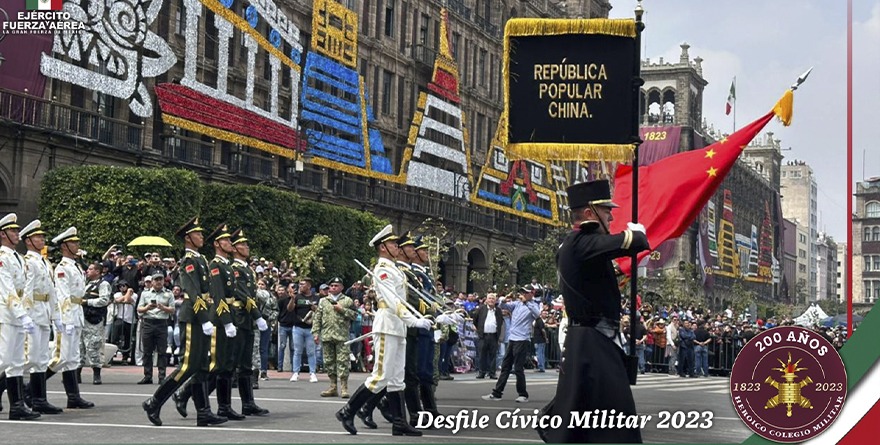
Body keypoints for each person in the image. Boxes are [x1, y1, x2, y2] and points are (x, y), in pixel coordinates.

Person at [538, 179, 650, 443]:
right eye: (606, 210)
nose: (611, 215)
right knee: (613, 414)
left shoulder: (578, 245)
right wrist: (636, 231)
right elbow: (636, 241)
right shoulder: (581, 242)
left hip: (592, 340)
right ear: (590, 213)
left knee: (589, 413)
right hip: (592, 341)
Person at [334, 224, 434, 436]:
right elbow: (392, 301)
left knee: (397, 378)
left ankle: (399, 423)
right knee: (380, 376)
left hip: (398, 328)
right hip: (387, 326)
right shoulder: (381, 270)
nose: (397, 246)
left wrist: (417, 318)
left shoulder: (395, 269)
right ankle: (347, 411)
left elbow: (404, 300)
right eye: (392, 244)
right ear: (382, 248)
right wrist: (413, 321)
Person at [142, 217, 226, 427]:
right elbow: (192, 291)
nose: (202, 237)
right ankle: (154, 402)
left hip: (202, 317)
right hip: (194, 317)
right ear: (188, 238)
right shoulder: (189, 261)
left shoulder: (200, 260)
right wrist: (205, 318)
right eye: (197, 234)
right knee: (188, 365)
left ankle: (204, 412)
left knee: (203, 367)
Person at [46, 226, 95, 410]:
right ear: (65, 246)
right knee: (60, 358)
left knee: (73, 358)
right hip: (66, 315)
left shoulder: (75, 265)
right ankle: (31, 389)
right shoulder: (62, 268)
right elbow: (63, 295)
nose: (77, 245)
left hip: (76, 312)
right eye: (74, 242)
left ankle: (73, 397)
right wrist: (65, 320)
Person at [19, 220, 64, 414]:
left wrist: (56, 316)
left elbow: (52, 291)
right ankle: (19, 396)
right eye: (38, 237)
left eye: (42, 236)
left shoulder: (44, 262)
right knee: (27, 358)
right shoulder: (28, 262)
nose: (42, 239)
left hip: (44, 312)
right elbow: (27, 291)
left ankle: (39, 399)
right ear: (28, 241)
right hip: (33, 312)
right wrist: (25, 316)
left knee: (41, 358)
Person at [0, 214, 40, 420]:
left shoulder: (17, 257)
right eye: (13, 231)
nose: (17, 234)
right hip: (6, 314)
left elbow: (25, 289)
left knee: (15, 362)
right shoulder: (3, 257)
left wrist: (27, 314)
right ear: (3, 234)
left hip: (18, 315)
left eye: (17, 230)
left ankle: (16, 406)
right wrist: (21, 314)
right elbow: (7, 290)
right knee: (3, 359)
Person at [229, 228, 270, 415]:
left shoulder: (247, 269)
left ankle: (248, 403)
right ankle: (188, 393)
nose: (247, 247)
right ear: (235, 248)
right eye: (243, 245)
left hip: (246, 319)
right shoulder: (235, 269)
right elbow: (241, 294)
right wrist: (257, 314)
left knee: (245, 364)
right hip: (238, 317)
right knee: (230, 363)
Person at [481, 285, 541, 403]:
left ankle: (523, 394)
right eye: (522, 292)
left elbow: (537, 314)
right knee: (505, 367)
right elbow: (503, 305)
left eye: (525, 292)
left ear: (531, 294)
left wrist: (527, 302)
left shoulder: (533, 305)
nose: (522, 294)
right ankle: (497, 393)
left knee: (518, 368)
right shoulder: (517, 304)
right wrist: (505, 298)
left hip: (522, 339)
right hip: (512, 339)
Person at [312, 277, 358, 398]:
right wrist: (316, 333)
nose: (333, 287)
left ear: (342, 287)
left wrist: (342, 310)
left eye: (336, 285)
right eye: (331, 286)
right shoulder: (323, 301)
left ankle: (344, 387)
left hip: (342, 336)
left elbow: (355, 315)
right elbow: (317, 318)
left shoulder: (347, 301)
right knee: (328, 362)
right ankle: (333, 386)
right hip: (327, 336)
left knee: (342, 362)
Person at [137, 274, 174, 384]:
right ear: (152, 281)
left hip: (161, 323)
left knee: (162, 351)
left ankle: (162, 376)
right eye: (156, 280)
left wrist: (163, 308)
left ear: (164, 281)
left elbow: (172, 310)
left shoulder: (168, 293)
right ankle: (147, 376)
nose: (158, 282)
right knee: (147, 351)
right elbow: (139, 308)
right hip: (148, 322)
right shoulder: (145, 293)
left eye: (160, 280)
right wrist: (147, 307)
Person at [80, 262, 112, 385]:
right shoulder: (86, 284)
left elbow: (104, 300)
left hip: (94, 320)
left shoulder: (103, 284)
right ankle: (77, 375)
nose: (88, 271)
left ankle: (96, 374)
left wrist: (87, 302)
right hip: (82, 318)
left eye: (91, 269)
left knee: (94, 346)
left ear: (98, 272)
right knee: (79, 346)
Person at [288, 278, 318, 383]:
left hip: (311, 328)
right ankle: (295, 372)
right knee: (297, 351)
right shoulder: (297, 297)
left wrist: (315, 308)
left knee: (311, 352)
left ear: (309, 286)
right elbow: (290, 309)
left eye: (302, 284)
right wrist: (292, 299)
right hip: (298, 327)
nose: (300, 286)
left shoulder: (316, 297)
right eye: (300, 284)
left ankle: (313, 373)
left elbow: (319, 312)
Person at [472, 292, 503, 379]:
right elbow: (475, 319)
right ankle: (481, 372)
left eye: (493, 298)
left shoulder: (498, 310)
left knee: (493, 355)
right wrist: (479, 330)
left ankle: (492, 373)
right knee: (482, 355)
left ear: (495, 300)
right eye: (489, 298)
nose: (491, 300)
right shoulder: (481, 309)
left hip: (493, 336)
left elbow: (500, 322)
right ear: (486, 300)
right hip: (483, 336)